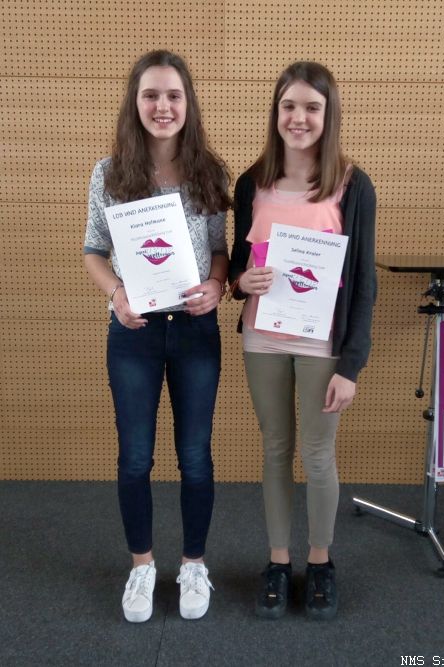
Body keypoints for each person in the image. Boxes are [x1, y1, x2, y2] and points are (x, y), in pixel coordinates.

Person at [83, 50, 231, 622]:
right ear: (135, 102)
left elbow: (219, 250)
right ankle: (142, 566)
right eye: (151, 95)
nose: (162, 106)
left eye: (173, 95)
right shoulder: (108, 173)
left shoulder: (208, 172)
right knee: (135, 458)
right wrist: (116, 294)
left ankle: (193, 564)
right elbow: (94, 251)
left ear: (188, 103)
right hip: (134, 332)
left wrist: (216, 285)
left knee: (195, 456)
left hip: (194, 330)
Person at [228, 61, 376, 620]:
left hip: (321, 345)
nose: (299, 117)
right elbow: (238, 266)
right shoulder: (252, 182)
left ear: (328, 114)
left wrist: (351, 365)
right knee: (274, 449)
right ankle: (277, 560)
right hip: (262, 338)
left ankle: (319, 562)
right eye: (288, 105)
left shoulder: (353, 185)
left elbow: (363, 281)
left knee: (317, 454)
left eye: (312, 107)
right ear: (276, 112)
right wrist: (241, 283)